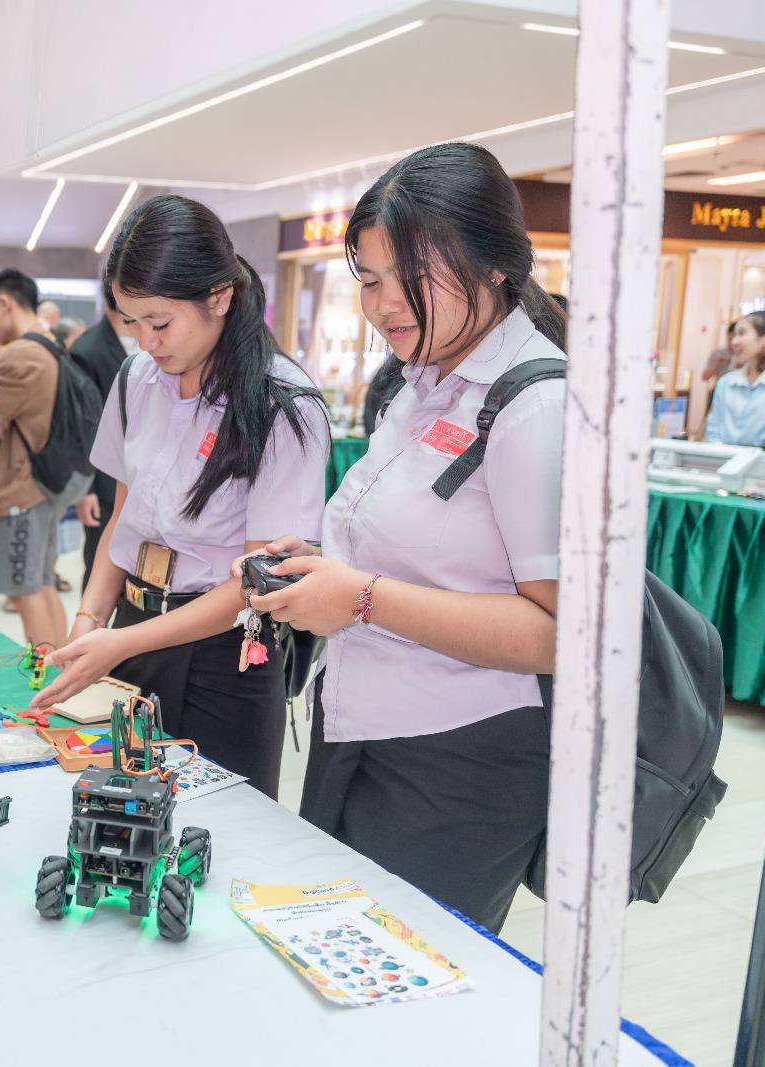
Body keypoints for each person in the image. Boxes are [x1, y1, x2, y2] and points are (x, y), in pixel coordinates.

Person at [247, 142, 567, 933]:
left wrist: (359, 596)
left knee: (394, 970)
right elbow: (423, 557)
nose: (385, 303)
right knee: (331, 954)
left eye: (411, 275)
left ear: (495, 265)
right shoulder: (421, 381)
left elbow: (560, 634)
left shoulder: (536, 408)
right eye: (368, 278)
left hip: (459, 758)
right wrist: (320, 569)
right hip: (362, 726)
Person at [31, 195, 329, 800]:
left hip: (226, 655)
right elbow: (123, 519)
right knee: (118, 813)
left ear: (219, 298)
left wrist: (118, 644)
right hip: (132, 626)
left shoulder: (282, 404)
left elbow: (258, 582)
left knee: (218, 828)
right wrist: (89, 623)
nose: (145, 342)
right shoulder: (136, 380)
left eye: (160, 323)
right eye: (130, 322)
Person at [0, 269, 68, 647]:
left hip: (23, 487)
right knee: (42, 583)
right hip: (47, 483)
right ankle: (61, 668)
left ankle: (44, 673)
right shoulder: (49, 344)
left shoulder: (20, 354)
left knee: (26, 591)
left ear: (5, 303)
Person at [67, 306, 137, 586]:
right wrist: (87, 490)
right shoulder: (87, 350)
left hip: (135, 473)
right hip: (103, 477)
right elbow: (81, 424)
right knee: (100, 557)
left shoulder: (143, 342)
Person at [703, 310, 765, 448]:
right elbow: (713, 430)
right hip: (724, 459)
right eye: (734, 335)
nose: (734, 341)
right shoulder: (725, 383)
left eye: (742, 333)